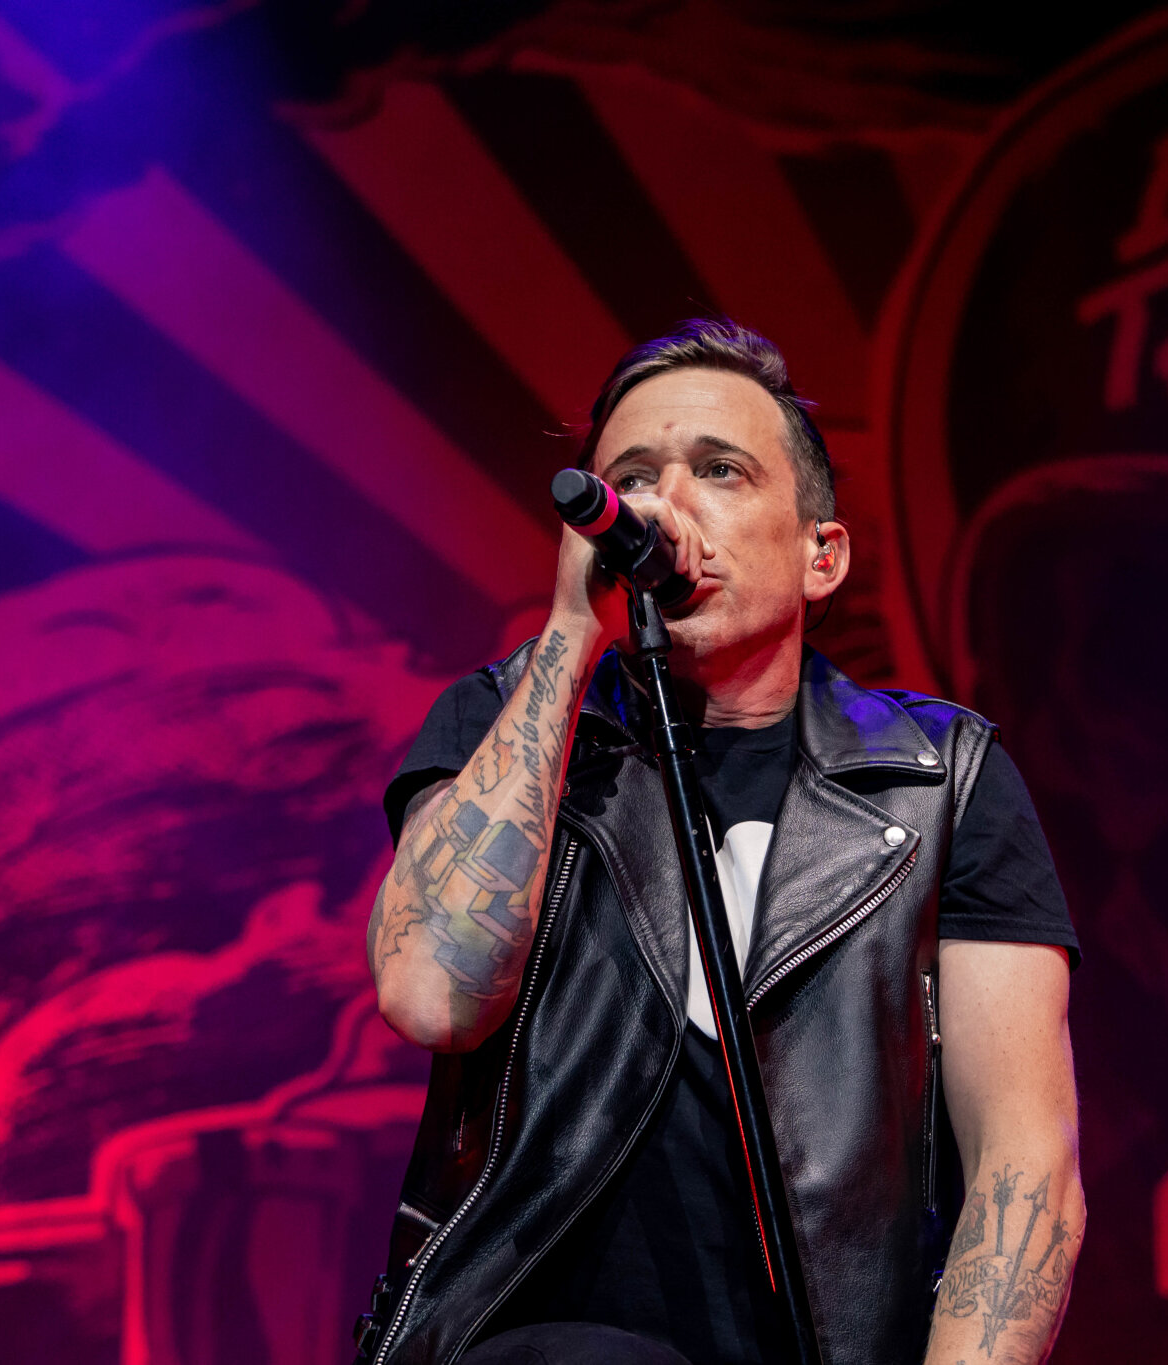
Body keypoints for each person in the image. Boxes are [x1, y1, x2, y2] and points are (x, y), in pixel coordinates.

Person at [357, 320, 1083, 1365]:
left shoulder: (939, 780)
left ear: (821, 555)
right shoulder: (506, 726)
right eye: (630, 478)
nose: (664, 506)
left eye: (719, 471)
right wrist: (569, 637)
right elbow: (434, 994)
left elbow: (1024, 1166)